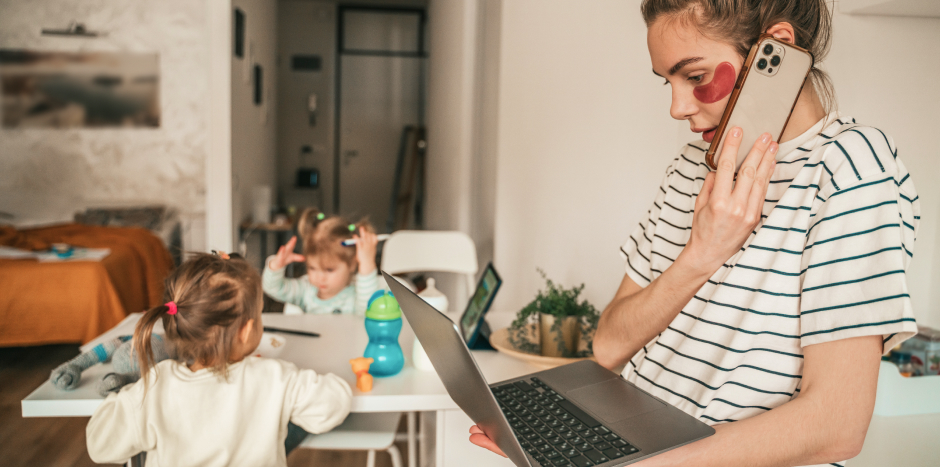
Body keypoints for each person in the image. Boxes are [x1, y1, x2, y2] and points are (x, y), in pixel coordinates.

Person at [470, 1, 920, 466]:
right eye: (668, 81)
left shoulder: (850, 166)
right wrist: (701, 255)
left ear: (777, 50)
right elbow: (608, 345)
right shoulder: (693, 164)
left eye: (696, 77)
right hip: (636, 446)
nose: (677, 107)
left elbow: (837, 425)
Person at [86, 253, 353, 467]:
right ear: (247, 331)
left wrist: (125, 397)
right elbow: (333, 406)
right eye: (259, 314)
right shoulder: (275, 376)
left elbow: (100, 445)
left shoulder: (156, 384)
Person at [263, 208, 380, 315]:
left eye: (329, 270)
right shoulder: (306, 290)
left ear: (352, 264)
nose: (320, 277)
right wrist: (276, 265)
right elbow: (272, 288)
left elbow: (370, 310)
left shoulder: (357, 295)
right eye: (312, 268)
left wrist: (367, 264)